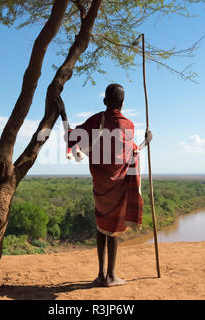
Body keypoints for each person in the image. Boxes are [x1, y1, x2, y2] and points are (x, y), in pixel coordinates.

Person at [63, 83, 152, 287]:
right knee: (112, 228)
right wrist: (147, 141)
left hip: (100, 184)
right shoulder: (128, 125)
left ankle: (101, 274)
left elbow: (71, 137)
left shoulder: (96, 120)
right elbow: (133, 152)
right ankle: (110, 276)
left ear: (105, 101)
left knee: (101, 225)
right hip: (119, 184)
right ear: (122, 103)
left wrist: (63, 112)